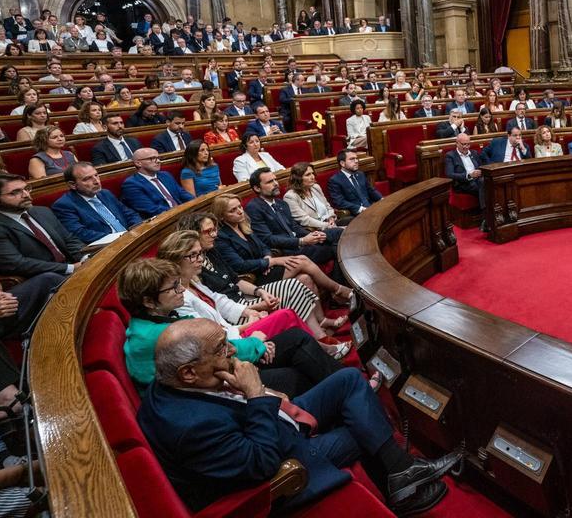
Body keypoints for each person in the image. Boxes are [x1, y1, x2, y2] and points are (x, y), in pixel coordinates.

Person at [139, 317, 458, 514]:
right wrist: (254, 395)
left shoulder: (170, 383)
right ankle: (404, 485)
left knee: (348, 381)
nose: (233, 352)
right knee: (361, 425)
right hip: (285, 461)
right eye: (222, 349)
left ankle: (402, 478)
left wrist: (260, 397)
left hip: (273, 422)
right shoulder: (190, 426)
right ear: (189, 373)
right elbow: (261, 464)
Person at [155, 233, 353, 365]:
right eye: (193, 255)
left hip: (235, 322)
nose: (200, 259)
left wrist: (248, 311)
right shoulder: (178, 295)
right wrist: (244, 325)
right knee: (285, 315)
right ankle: (322, 348)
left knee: (289, 308)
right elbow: (208, 333)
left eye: (200, 254)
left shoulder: (193, 281)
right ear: (175, 259)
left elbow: (219, 301)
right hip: (231, 339)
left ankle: (320, 346)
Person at [211, 194, 353, 307]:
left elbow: (264, 246)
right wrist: (270, 262)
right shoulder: (222, 237)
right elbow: (239, 266)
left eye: (239, 207)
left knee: (305, 279)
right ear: (222, 216)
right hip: (253, 278)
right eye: (233, 210)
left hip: (265, 268)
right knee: (302, 261)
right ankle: (339, 290)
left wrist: (267, 258)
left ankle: (321, 322)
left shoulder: (243, 225)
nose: (240, 211)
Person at [0, 174, 86, 278]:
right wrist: (70, 268)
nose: (26, 195)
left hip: (73, 268)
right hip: (44, 279)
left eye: (26, 189)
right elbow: (17, 264)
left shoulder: (42, 211)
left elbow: (69, 240)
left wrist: (84, 258)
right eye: (15, 192)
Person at [246, 169, 341, 266]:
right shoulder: (254, 208)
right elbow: (268, 239)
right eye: (270, 182)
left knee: (337, 232)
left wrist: (314, 235)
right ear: (257, 188)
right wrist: (301, 241)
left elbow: (294, 227)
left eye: (275, 180)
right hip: (287, 250)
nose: (276, 184)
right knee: (336, 247)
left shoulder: (281, 203)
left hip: (300, 241)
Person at [51, 163, 142, 243]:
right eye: (87, 179)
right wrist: (120, 237)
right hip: (107, 247)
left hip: (131, 238)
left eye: (96, 175)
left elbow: (130, 214)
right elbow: (80, 233)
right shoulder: (64, 205)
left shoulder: (105, 193)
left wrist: (137, 229)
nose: (96, 181)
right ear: (73, 185)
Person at [121, 148, 194, 219]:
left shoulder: (165, 175)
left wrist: (196, 202)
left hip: (183, 213)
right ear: (138, 163)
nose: (158, 161)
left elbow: (182, 193)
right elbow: (151, 209)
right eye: (152, 158)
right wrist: (181, 211)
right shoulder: (131, 184)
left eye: (158, 158)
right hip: (163, 220)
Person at [283, 163, 342, 229]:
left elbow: (328, 207)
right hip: (316, 230)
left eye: (312, 173)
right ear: (298, 178)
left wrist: (331, 218)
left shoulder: (315, 187)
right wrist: (326, 225)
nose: (312, 177)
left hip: (331, 223)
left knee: (350, 221)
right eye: (308, 175)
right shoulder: (290, 197)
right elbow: (304, 220)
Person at [327, 150, 382, 216]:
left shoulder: (360, 174)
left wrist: (382, 199)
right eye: (352, 159)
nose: (356, 161)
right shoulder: (335, 180)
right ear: (342, 163)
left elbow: (370, 190)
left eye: (356, 158)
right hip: (356, 214)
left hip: (371, 208)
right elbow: (340, 202)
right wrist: (361, 209)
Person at [444, 133, 486, 213]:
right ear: (457, 143)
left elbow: (481, 166)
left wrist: (480, 172)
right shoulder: (450, 156)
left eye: (468, 144)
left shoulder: (474, 153)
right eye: (463, 144)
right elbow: (449, 174)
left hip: (478, 180)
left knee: (486, 183)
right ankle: (486, 213)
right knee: (483, 187)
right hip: (462, 183)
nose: (466, 147)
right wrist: (469, 175)